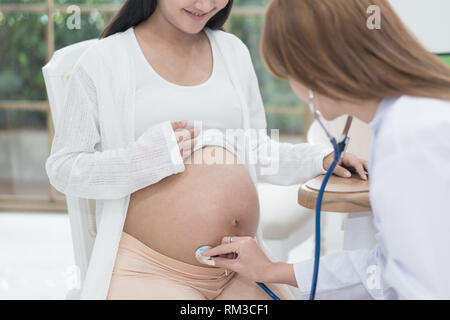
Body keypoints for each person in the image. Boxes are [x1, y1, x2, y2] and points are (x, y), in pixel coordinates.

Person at [45, 0, 367, 299]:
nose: (204, 5)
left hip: (240, 268)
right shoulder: (105, 61)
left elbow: (255, 148)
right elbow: (63, 167)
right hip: (151, 270)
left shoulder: (232, 52)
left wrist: (319, 159)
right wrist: (144, 160)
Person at [202, 0, 450, 299]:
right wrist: (273, 270)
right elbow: (387, 267)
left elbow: (426, 286)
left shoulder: (412, 135)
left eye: (287, 74)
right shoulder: (409, 119)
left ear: (314, 69)